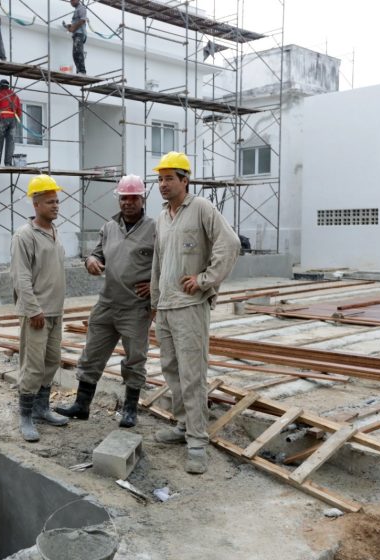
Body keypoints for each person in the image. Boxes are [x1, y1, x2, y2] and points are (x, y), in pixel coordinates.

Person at [150, 152, 240, 474]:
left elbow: (229, 244)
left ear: (185, 180)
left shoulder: (201, 208)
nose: (162, 184)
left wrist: (205, 281)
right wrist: (155, 301)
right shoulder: (162, 217)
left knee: (193, 374)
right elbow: (158, 262)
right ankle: (182, 425)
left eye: (168, 178)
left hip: (190, 307)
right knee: (171, 370)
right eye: (159, 179)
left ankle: (198, 441)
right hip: (166, 308)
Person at [55, 175, 155, 428]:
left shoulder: (156, 229)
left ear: (142, 199)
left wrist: (155, 285)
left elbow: (169, 263)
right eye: (124, 198)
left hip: (135, 306)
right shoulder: (109, 227)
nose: (128, 202)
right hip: (107, 303)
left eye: (134, 197)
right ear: (118, 199)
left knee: (134, 359)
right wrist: (90, 261)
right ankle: (82, 405)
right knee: (91, 354)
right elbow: (96, 253)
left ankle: (130, 410)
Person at [10, 175, 70, 442]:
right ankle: (25, 416)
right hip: (36, 314)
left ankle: (42, 408)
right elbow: (21, 277)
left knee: (50, 362)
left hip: (55, 312)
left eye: (57, 201)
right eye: (49, 202)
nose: (55, 206)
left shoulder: (54, 232)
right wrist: (33, 309)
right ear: (36, 204)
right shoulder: (24, 236)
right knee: (32, 366)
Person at [0, 79, 21, 167]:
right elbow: (19, 111)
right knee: (10, 142)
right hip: (13, 121)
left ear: (0, 87)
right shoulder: (15, 96)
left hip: (3, 119)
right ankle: (8, 163)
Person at [64, 0, 88, 74]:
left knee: (78, 52)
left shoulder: (81, 8)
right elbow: (77, 22)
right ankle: (79, 71)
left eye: (73, 0)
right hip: (76, 34)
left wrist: (73, 28)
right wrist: (70, 26)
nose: (71, 2)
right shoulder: (76, 10)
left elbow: (82, 21)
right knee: (75, 54)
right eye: (70, 1)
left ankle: (82, 71)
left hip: (80, 34)